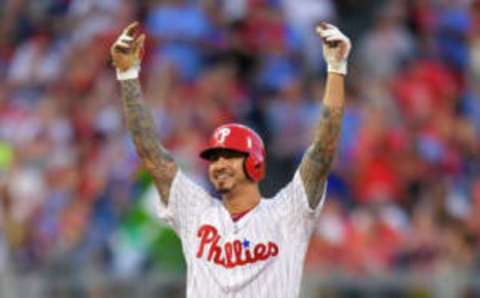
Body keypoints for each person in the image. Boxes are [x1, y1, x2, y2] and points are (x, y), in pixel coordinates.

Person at [110, 21, 351, 298]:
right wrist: (127, 75)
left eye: (230, 156)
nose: (219, 164)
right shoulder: (197, 211)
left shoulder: (286, 213)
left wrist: (336, 69)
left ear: (256, 164)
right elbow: (151, 154)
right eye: (214, 158)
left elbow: (321, 152)